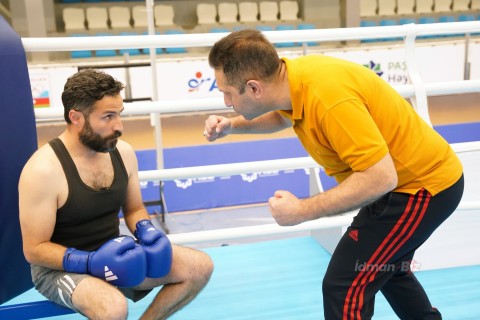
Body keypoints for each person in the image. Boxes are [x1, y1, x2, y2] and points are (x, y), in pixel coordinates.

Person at [203, 29, 463, 319]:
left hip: (421, 188)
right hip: (402, 183)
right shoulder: (290, 80)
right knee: (389, 270)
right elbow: (279, 113)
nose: (226, 102)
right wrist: (233, 125)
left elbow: (380, 177)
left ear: (254, 88)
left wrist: (302, 210)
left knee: (344, 285)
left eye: (227, 93)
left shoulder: (329, 99)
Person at [19, 69, 213, 320]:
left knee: (199, 267)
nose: (119, 126)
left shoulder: (123, 153)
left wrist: (146, 230)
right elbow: (34, 249)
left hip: (116, 255)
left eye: (119, 114)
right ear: (76, 117)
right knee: (113, 307)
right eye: (108, 117)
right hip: (58, 270)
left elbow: (133, 210)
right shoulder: (43, 170)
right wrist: (89, 263)